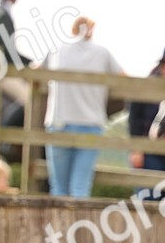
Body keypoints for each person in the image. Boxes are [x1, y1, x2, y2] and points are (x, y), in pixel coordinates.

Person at [42, 16, 124, 197]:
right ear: (91, 30)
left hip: (58, 122)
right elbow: (124, 77)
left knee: (58, 187)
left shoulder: (57, 48)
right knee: (80, 187)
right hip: (91, 124)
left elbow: (36, 72)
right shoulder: (102, 52)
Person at [128, 46, 165, 199]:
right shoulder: (147, 86)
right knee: (148, 198)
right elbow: (135, 118)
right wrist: (136, 149)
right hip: (149, 152)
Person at [0, 0, 33, 105]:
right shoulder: (3, 17)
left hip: (5, 66)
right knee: (28, 99)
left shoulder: (4, 14)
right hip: (3, 71)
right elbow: (9, 50)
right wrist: (29, 63)